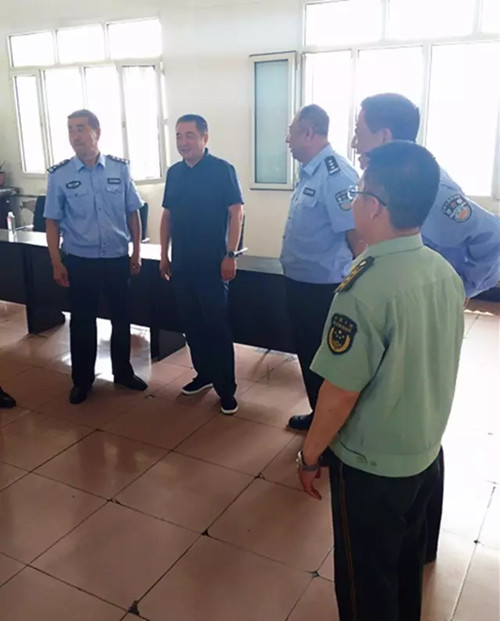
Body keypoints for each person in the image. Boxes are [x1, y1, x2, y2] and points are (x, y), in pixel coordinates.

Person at [297, 141, 465, 621]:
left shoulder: (364, 287)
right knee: (406, 566)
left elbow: (340, 393)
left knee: (365, 583)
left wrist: (309, 456)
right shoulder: (443, 271)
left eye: (358, 192)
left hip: (371, 469)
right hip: (424, 454)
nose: (353, 201)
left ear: (374, 206)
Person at [351, 92, 500, 563]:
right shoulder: (387, 182)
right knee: (406, 415)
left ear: (384, 135)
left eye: (360, 130)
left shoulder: (430, 188)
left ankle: (421, 543)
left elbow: (493, 238)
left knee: (421, 422)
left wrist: (459, 287)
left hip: (423, 313)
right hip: (400, 309)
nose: (354, 141)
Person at [44, 109, 148, 405]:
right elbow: (51, 221)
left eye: (81, 128)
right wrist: (56, 261)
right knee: (82, 322)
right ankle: (82, 380)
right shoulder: (60, 175)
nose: (75, 135)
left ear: (96, 132)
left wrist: (136, 251)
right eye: (70, 129)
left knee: (121, 318)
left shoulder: (119, 169)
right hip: (80, 260)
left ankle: (123, 372)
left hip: (116, 258)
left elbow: (133, 213)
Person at [280, 105, 360, 431]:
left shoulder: (336, 174)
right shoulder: (309, 173)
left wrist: (357, 289)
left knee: (328, 361)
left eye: (291, 132)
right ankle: (320, 416)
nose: (287, 139)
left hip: (325, 289)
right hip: (300, 284)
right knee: (310, 356)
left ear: (308, 133)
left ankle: (335, 430)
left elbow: (358, 237)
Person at [159, 114, 244, 415]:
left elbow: (236, 213)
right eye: (178, 136)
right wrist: (164, 254)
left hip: (213, 264)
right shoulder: (175, 173)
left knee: (216, 327)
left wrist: (230, 255)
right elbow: (167, 216)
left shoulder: (222, 170)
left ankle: (226, 389)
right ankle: (204, 374)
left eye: (190, 135)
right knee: (191, 324)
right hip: (182, 263)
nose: (183, 142)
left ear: (204, 138)